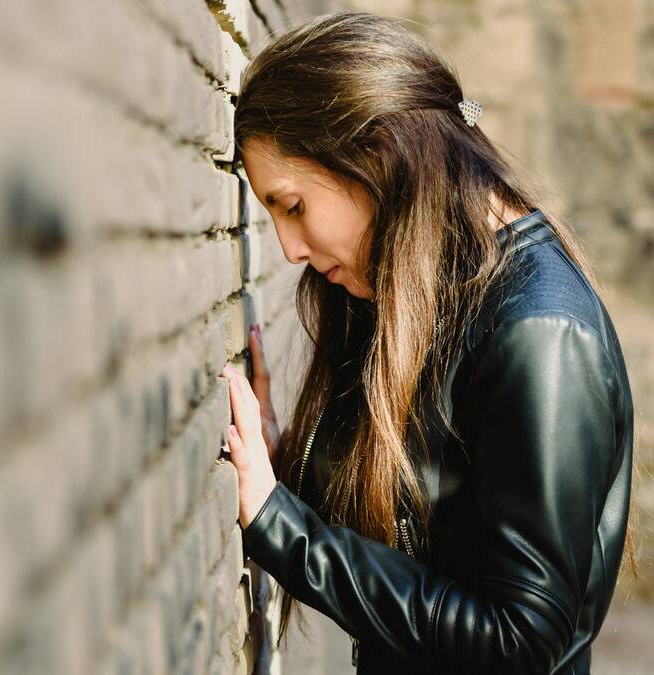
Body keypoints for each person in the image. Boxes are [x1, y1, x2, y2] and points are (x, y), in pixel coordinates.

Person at [218, 10, 636, 674]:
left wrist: (281, 527)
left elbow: (519, 640)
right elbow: (426, 534)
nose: (291, 248)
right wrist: (282, 463)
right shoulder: (421, 293)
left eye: (293, 205)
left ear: (378, 152)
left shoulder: (538, 333)